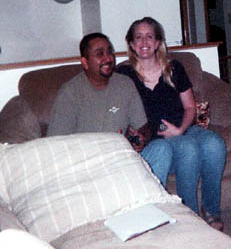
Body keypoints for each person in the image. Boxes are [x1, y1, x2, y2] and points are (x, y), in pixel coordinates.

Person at [116, 17, 226, 230]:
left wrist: (181, 129)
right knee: (188, 147)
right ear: (131, 44)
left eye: (150, 36)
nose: (144, 42)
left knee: (215, 144)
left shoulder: (174, 68)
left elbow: (190, 107)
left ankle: (211, 210)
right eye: (138, 37)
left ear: (158, 42)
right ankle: (191, 217)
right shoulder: (123, 75)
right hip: (155, 139)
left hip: (184, 128)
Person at [47, 32, 172, 185]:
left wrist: (140, 139)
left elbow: (143, 128)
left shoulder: (125, 84)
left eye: (110, 52)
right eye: (100, 54)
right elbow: (56, 145)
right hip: (89, 165)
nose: (108, 58)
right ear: (85, 62)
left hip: (124, 159)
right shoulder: (70, 92)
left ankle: (150, 196)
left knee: (162, 148)